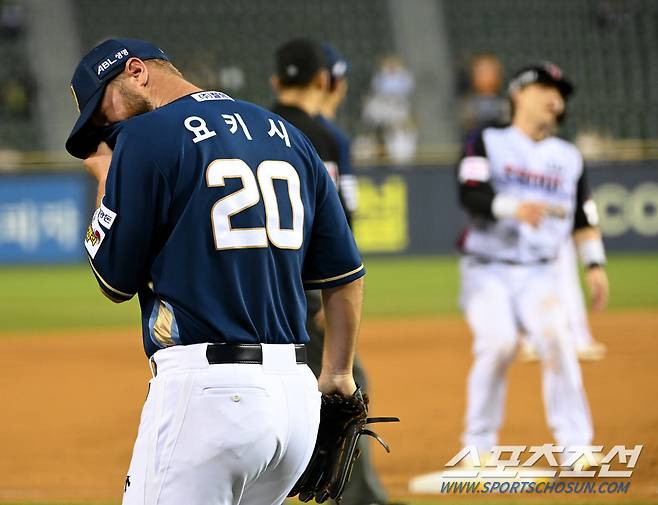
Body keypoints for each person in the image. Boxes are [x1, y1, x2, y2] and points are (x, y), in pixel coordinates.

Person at [65, 38, 365, 505]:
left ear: (137, 72)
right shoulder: (288, 134)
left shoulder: (145, 139)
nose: (106, 128)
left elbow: (113, 281)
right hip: (296, 402)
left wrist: (108, 178)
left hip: (209, 401)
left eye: (103, 111)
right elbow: (345, 274)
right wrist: (338, 375)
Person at [456, 62, 609, 462]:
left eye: (559, 93)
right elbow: (470, 192)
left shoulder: (569, 157)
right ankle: (478, 446)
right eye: (544, 88)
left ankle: (576, 448)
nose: (554, 98)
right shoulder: (486, 140)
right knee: (499, 343)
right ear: (518, 94)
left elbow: (583, 218)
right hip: (487, 267)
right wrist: (512, 207)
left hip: (541, 274)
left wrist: (594, 265)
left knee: (559, 341)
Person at [269, 38, 398, 505]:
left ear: (275, 81)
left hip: (257, 288)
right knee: (345, 386)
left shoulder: (250, 129)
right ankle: (359, 497)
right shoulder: (329, 140)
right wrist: (329, 297)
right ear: (326, 81)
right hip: (309, 292)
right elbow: (339, 227)